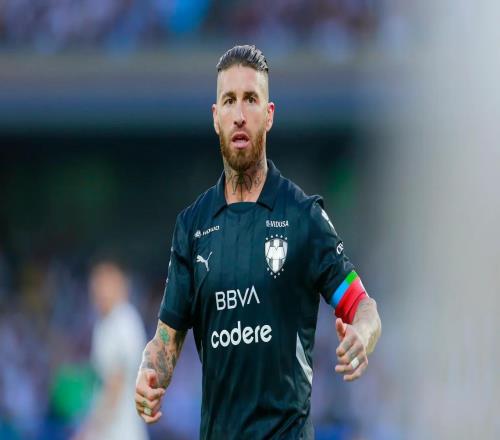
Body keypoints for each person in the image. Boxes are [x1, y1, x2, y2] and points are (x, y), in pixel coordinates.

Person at [134, 45, 382, 439]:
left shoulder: (303, 216)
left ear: (269, 115)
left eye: (250, 99)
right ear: (215, 117)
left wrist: (362, 335)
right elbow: (166, 340)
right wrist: (149, 373)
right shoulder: (193, 226)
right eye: (229, 100)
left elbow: (362, 306)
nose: (239, 113)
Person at [74, 261, 148, 440]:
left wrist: (91, 430)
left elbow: (116, 382)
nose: (98, 291)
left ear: (119, 285)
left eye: (104, 284)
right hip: (109, 427)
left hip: (122, 429)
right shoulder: (104, 322)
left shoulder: (124, 321)